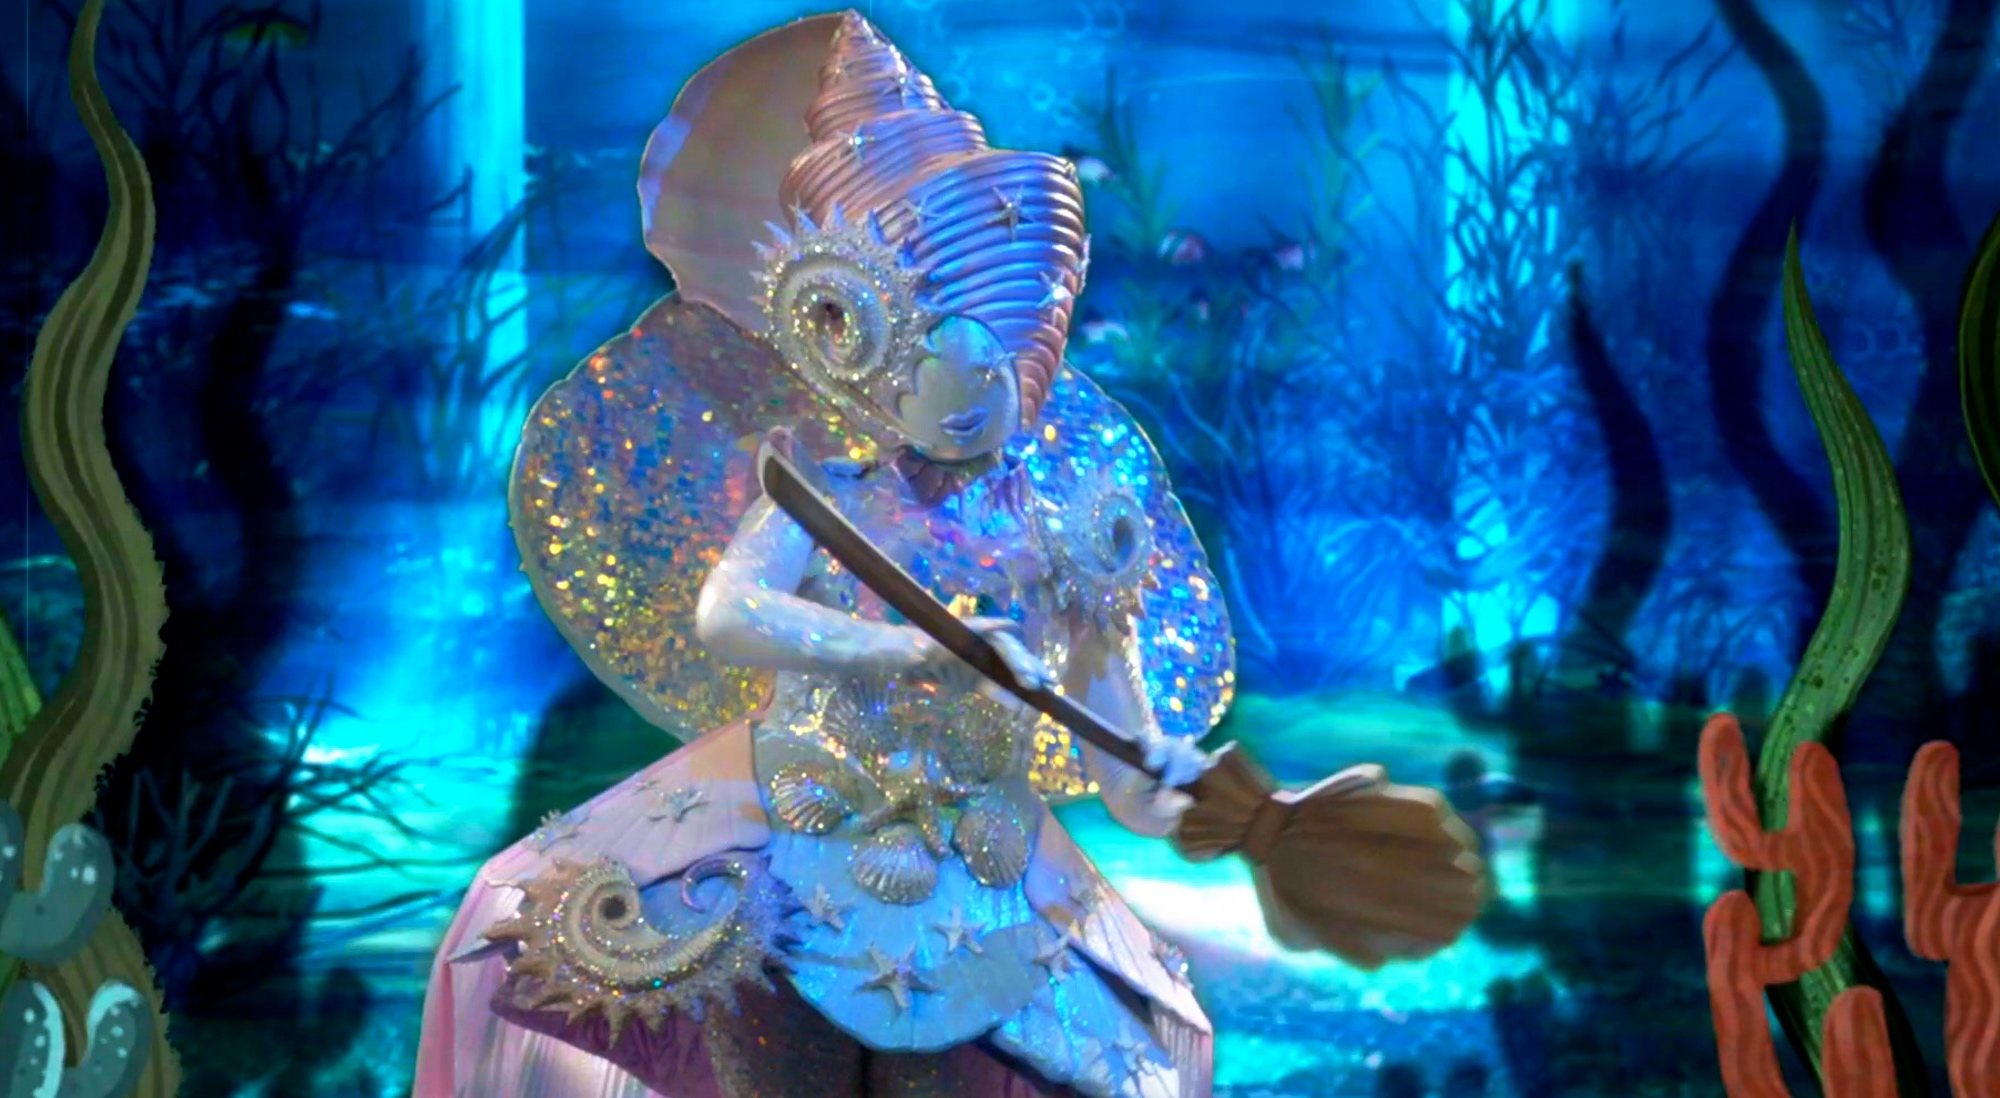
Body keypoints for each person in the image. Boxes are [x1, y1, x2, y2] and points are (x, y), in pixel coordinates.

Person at [414, 11, 1238, 1097]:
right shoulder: (823, 494)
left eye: (992, 365)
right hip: (791, 829)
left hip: (980, 873)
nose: (962, 396)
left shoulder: (1072, 529)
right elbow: (728, 613)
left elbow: (1118, 750)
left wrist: (1166, 786)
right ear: (858, 345)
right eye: (930, 362)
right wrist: (902, 650)